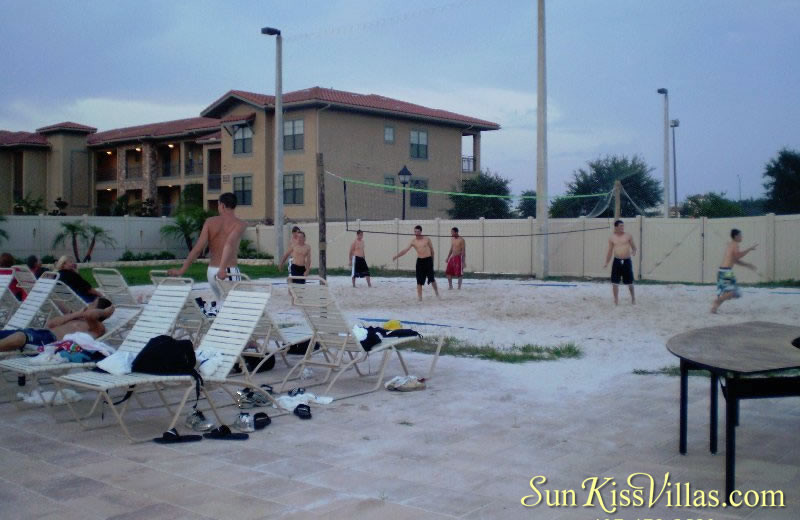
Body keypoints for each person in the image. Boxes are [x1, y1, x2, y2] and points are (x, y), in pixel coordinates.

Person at [167, 192, 247, 303]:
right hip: (227, 272)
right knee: (235, 306)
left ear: (222, 206)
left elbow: (198, 249)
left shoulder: (210, 222)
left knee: (221, 304)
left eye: (218, 205)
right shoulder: (240, 224)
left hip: (211, 272)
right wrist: (222, 268)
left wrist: (182, 270)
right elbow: (229, 244)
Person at [0, 297, 114, 352]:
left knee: (19, 337)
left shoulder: (97, 327)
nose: (88, 304)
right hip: (40, 333)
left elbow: (90, 315)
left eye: (92, 303)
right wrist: (76, 314)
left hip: (48, 342)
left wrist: (107, 312)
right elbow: (51, 324)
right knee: (16, 334)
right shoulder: (76, 318)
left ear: (99, 311)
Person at [711, 228, 757, 314]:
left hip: (724, 271)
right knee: (733, 292)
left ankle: (714, 308)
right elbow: (738, 256)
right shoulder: (735, 245)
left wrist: (747, 265)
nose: (741, 237)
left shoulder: (731, 245)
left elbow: (735, 260)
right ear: (736, 236)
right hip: (725, 272)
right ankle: (716, 301)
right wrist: (749, 249)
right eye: (740, 235)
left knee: (729, 293)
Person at [393, 225, 440, 301]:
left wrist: (432, 261)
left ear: (421, 231)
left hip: (428, 260)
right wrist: (396, 256)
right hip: (420, 261)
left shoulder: (427, 239)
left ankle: (437, 293)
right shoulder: (413, 241)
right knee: (419, 280)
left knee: (432, 279)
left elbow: (432, 250)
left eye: (418, 231)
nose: (416, 233)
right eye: (415, 231)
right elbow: (405, 250)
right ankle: (420, 297)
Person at [603, 220, 637, 305]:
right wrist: (607, 262)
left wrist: (634, 251)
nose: (622, 227)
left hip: (627, 260)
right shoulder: (612, 237)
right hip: (617, 261)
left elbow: (634, 247)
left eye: (623, 226)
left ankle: (633, 298)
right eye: (621, 226)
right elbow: (610, 251)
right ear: (616, 227)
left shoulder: (628, 236)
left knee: (630, 282)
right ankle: (616, 300)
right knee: (615, 282)